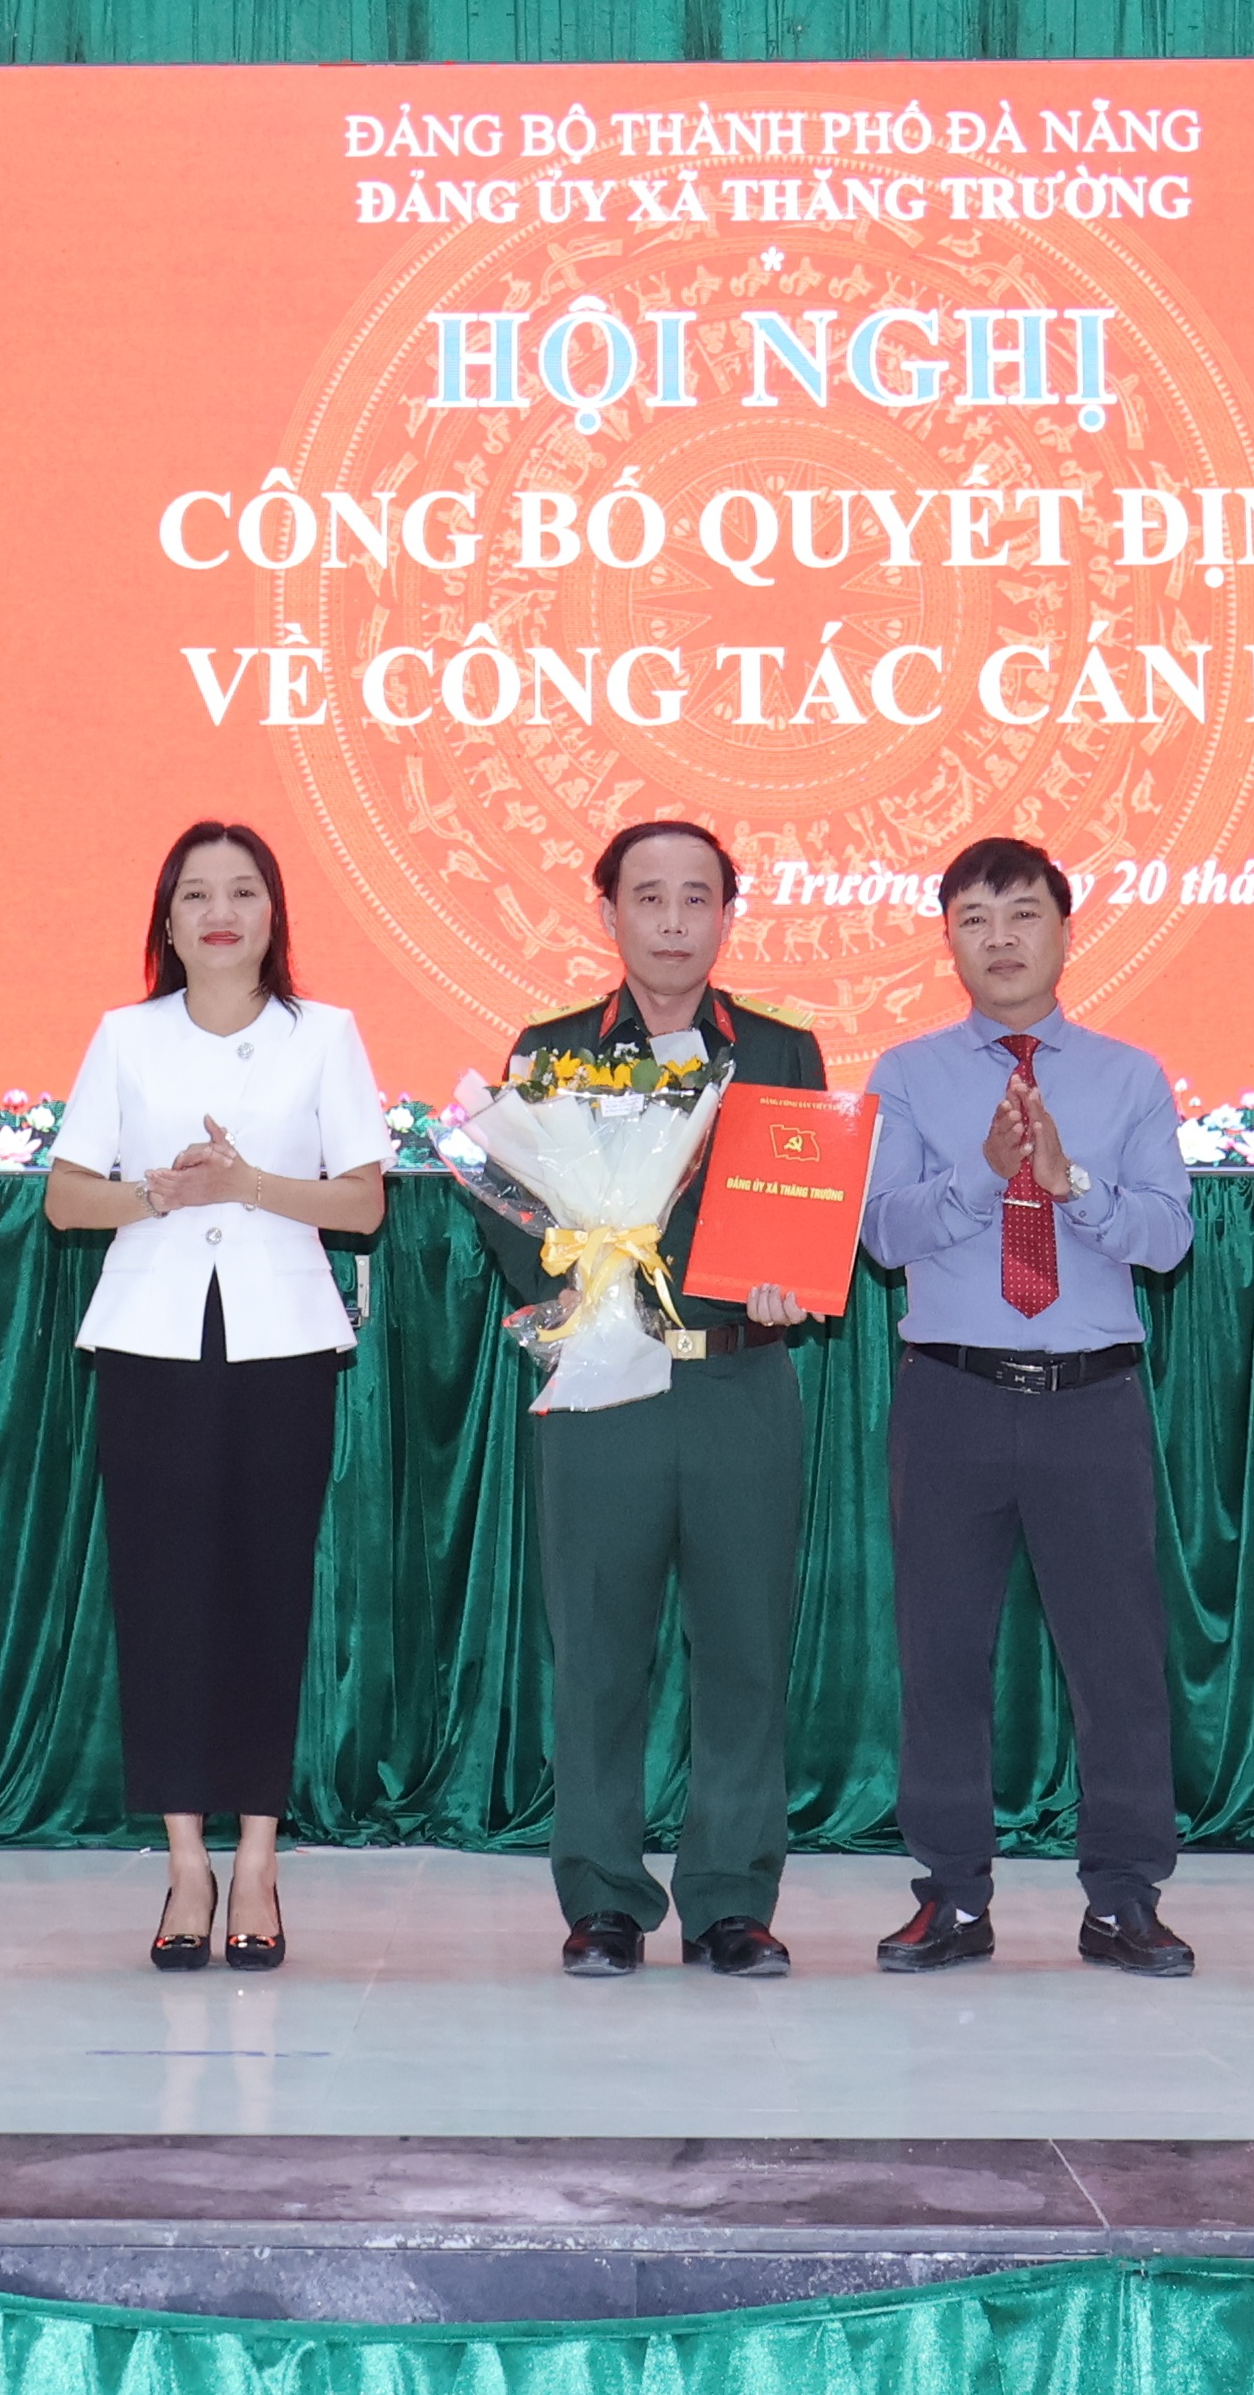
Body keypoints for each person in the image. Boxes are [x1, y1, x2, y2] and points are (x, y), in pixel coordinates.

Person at [476, 821, 824, 1981]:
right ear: (608, 913)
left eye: (695, 898)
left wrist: (792, 1283)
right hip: (602, 1383)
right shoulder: (552, 1052)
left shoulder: (780, 1053)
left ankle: (731, 1900)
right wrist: (576, 1271)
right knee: (596, 1652)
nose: (672, 921)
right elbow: (510, 1210)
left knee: (744, 1652)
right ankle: (603, 1900)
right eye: (648, 898)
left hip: (737, 1378)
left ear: (727, 914)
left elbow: (806, 1207)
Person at [43, 821, 389, 1975]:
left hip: (282, 1344)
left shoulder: (323, 1036)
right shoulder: (125, 1036)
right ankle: (186, 1866)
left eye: (243, 891)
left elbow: (363, 1205)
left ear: (274, 914)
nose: (220, 912)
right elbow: (65, 1200)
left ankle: (257, 1863)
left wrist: (247, 1183)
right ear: (167, 919)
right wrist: (160, 1195)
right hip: (150, 1342)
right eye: (196, 894)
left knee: (264, 1599)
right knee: (163, 1600)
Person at [856, 835, 1200, 1979]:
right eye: (973, 919)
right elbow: (881, 1233)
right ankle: (951, 1898)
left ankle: (1125, 1900)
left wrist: (1070, 1185)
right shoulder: (906, 1075)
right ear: (948, 940)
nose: (998, 939)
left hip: (1089, 1403)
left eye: (1021, 915)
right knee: (942, 1658)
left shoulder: (1129, 1078)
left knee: (1118, 1664)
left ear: (1065, 928)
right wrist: (980, 1172)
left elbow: (1168, 1238)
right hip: (950, 1397)